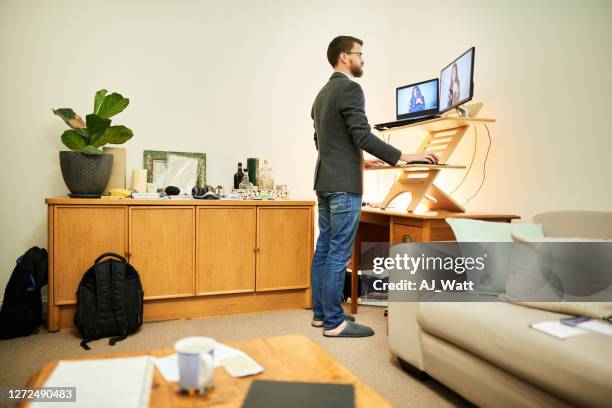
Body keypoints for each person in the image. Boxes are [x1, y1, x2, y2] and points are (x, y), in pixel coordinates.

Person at [310, 36, 438, 338]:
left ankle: (321, 315)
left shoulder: (321, 95)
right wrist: (404, 157)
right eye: (360, 54)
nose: (363, 60)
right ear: (345, 57)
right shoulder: (350, 88)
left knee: (325, 250)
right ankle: (334, 323)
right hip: (343, 185)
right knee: (339, 254)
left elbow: (323, 142)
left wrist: (362, 162)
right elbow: (362, 135)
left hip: (325, 181)